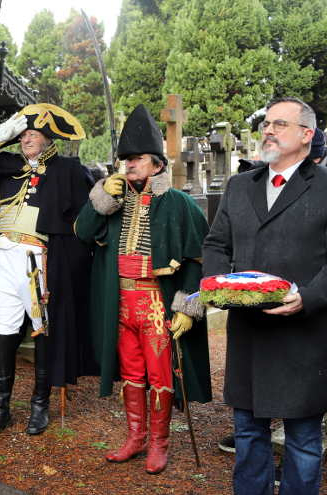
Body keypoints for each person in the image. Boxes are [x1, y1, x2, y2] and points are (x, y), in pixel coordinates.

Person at [205, 97, 327, 495]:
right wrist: (217, 286)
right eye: (267, 123)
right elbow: (217, 242)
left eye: (281, 123)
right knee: (249, 426)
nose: (269, 130)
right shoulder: (240, 185)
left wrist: (309, 297)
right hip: (250, 330)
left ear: (306, 134)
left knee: (301, 437)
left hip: (303, 331)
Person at [74, 104, 211, 474]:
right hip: (120, 301)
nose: (128, 166)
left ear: (157, 165)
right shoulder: (112, 201)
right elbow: (83, 233)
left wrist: (188, 306)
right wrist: (100, 197)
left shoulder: (179, 203)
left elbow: (202, 259)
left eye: (135, 160)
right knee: (132, 373)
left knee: (160, 375)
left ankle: (160, 443)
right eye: (124, 161)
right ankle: (136, 437)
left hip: (156, 303)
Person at [0, 104, 95, 440]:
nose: (27, 139)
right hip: (5, 255)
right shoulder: (7, 165)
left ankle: (39, 404)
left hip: (39, 258)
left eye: (34, 134)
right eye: (23, 135)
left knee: (42, 329)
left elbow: (84, 218)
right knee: (4, 327)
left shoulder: (67, 169)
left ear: (48, 138)